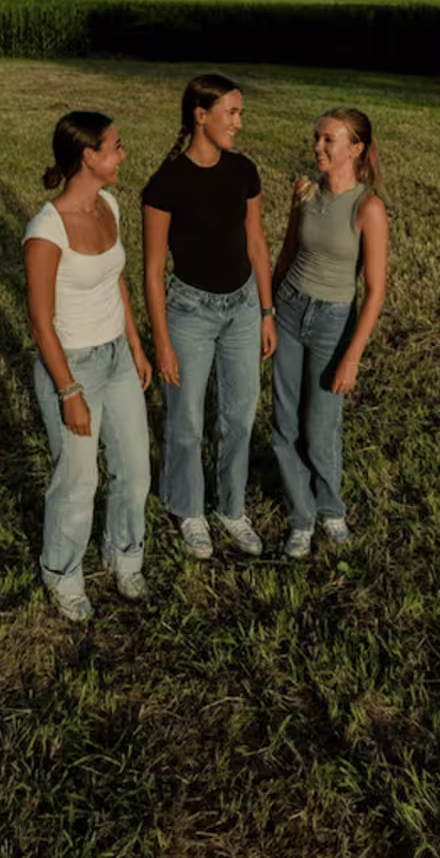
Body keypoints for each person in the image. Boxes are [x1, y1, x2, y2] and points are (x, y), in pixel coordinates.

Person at [24, 111, 154, 621]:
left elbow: (115, 280)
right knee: (78, 482)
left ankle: (125, 556)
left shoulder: (110, 205)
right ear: (88, 156)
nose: (123, 154)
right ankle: (62, 574)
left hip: (116, 356)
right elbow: (40, 323)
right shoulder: (46, 230)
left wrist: (135, 347)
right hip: (72, 365)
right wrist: (68, 391)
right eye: (116, 146)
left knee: (135, 470)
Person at [141, 74, 277, 560]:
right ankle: (188, 509)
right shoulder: (165, 183)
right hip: (189, 313)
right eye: (231, 113)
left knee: (239, 415)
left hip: (242, 307)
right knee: (186, 420)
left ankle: (231, 507)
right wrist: (162, 341)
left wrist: (266, 311)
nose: (239, 123)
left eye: (240, 113)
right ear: (201, 116)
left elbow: (256, 242)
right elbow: (152, 270)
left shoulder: (244, 171)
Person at [268, 107, 389, 559]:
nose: (316, 147)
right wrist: (268, 311)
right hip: (289, 309)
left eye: (327, 140)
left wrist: (351, 357)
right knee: (284, 423)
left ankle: (330, 508)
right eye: (316, 138)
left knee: (320, 426)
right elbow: (286, 254)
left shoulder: (367, 208)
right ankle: (301, 517)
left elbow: (375, 291)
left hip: (333, 322)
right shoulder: (305, 193)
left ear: (355, 149)